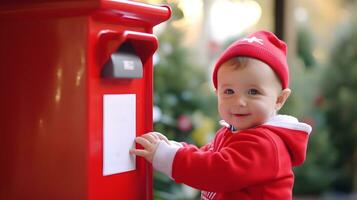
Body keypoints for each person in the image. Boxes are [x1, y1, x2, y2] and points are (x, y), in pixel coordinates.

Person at [130, 30, 312, 200]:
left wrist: (168, 156)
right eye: (229, 91)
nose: (239, 101)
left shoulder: (266, 144)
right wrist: (174, 147)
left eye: (253, 92)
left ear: (279, 99)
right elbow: (208, 154)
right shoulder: (232, 132)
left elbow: (218, 170)